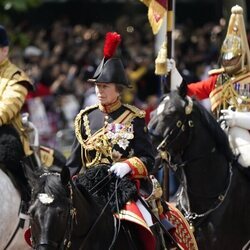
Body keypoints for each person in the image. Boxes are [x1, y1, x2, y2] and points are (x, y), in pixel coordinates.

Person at [67, 32, 197, 250]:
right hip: (88, 187)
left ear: (118, 89)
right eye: (98, 87)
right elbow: (73, 163)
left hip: (123, 186)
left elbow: (149, 158)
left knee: (144, 220)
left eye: (105, 87)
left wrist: (128, 166)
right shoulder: (85, 118)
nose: (100, 91)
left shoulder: (134, 117)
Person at [169, 5, 250, 169]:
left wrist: (236, 119)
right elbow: (189, 91)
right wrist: (173, 72)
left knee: (243, 149)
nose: (228, 62)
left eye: (233, 58)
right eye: (226, 58)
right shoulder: (217, 80)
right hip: (218, 131)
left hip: (244, 130)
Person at [0, 25, 36, 202]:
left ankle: (29, 199)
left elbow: (6, 110)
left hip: (5, 132)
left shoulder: (17, 77)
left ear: (4, 50)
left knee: (8, 151)